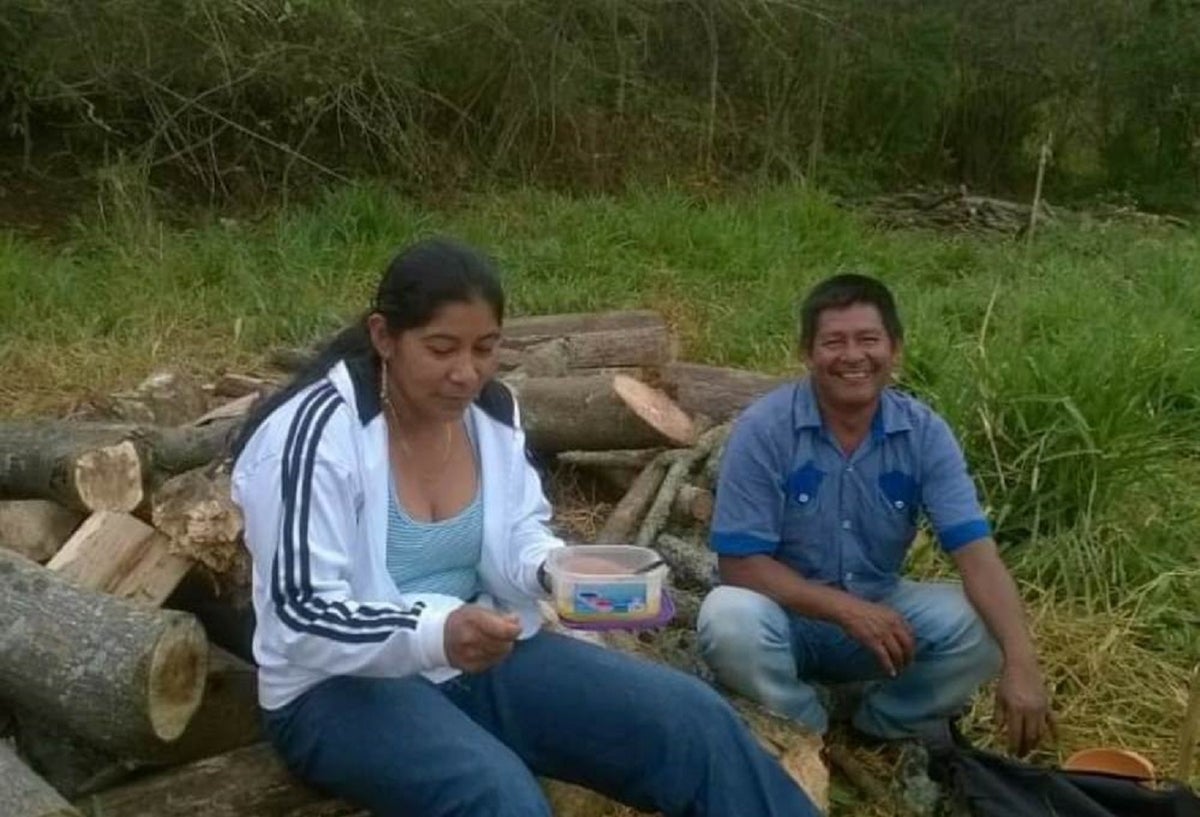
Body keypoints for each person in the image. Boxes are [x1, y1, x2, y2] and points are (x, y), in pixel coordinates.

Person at [230, 238, 819, 817]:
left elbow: (517, 532)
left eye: (485, 349)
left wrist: (554, 569)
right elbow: (301, 615)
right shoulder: (312, 438)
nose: (466, 373)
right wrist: (438, 632)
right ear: (384, 337)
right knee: (499, 798)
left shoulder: (491, 413)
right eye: (442, 349)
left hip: (473, 653)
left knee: (689, 719)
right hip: (334, 687)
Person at [697, 273, 1054, 756]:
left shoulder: (924, 434)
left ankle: (882, 723)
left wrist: (1023, 662)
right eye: (834, 342)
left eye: (868, 340)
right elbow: (740, 566)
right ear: (807, 353)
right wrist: (846, 610)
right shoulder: (764, 429)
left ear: (895, 349)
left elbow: (977, 554)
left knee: (984, 625)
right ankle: (804, 728)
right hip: (785, 619)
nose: (853, 356)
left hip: (880, 613)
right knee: (726, 617)